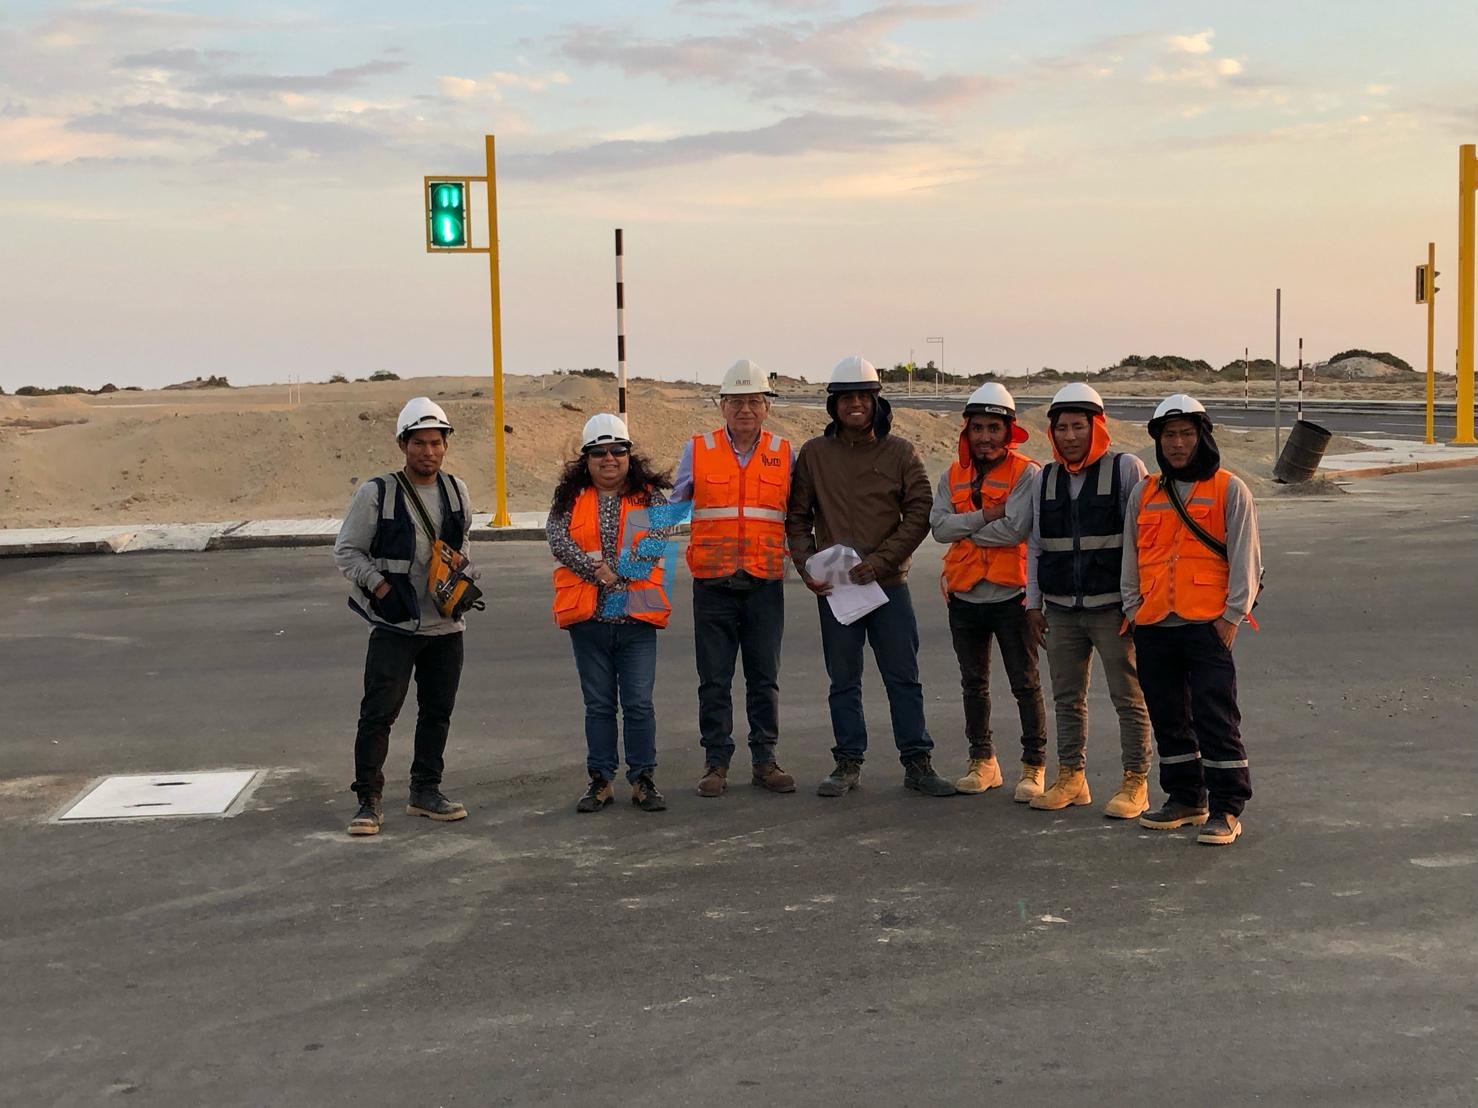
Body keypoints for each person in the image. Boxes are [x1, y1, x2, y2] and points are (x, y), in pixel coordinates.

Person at [785, 355, 955, 798]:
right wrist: (808, 566)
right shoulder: (815, 454)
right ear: (833, 405)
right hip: (836, 590)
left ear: (876, 401)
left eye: (863, 396)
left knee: (904, 678)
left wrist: (881, 562)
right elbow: (797, 517)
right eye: (846, 398)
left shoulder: (900, 452)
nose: (855, 404)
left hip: (889, 587)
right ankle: (847, 762)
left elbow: (919, 511)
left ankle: (917, 762)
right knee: (843, 681)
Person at [334, 397, 480, 837]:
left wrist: (461, 575)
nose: (429, 451)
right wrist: (379, 587)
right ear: (403, 444)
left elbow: (462, 543)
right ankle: (368, 801)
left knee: (437, 712)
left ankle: (425, 791)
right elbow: (347, 551)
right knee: (378, 714)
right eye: (420, 443)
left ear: (446, 445)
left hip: (446, 626)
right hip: (394, 626)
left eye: (436, 443)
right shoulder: (376, 493)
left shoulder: (457, 491)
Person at [1123, 394, 1263, 846]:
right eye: (1169, 435)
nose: (1178, 444)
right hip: (1154, 624)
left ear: (1202, 437)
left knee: (1214, 717)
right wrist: (1133, 610)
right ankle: (1185, 798)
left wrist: (1231, 618)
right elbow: (1131, 557)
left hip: (1207, 626)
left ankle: (1226, 807)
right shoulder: (1145, 492)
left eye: (1186, 434)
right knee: (1168, 718)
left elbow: (1246, 559)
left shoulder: (1230, 489)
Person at [1022, 383, 1154, 818]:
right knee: (1066, 698)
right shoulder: (1044, 478)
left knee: (1128, 698)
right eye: (1062, 428)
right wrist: (1033, 605)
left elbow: (1141, 541)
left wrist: (1134, 605)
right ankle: (1071, 778)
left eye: (1079, 426)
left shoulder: (1126, 469)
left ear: (1097, 426)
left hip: (1113, 610)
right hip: (1061, 611)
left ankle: (1136, 782)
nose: (1070, 436)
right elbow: (1036, 545)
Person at [669, 359, 797, 798]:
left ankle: (765, 761)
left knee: (764, 678)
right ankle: (716, 763)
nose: (745, 409)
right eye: (737, 401)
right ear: (721, 405)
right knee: (714, 680)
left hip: (764, 583)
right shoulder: (698, 449)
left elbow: (799, 513)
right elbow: (674, 505)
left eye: (754, 401)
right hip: (713, 583)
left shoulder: (784, 452)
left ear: (767, 407)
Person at [547, 413, 674, 814]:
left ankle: (643, 779)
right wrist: (596, 573)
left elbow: (657, 539)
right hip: (590, 621)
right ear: (585, 459)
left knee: (638, 704)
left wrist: (617, 569)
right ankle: (600, 780)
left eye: (617, 450)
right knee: (599, 706)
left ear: (628, 455)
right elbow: (557, 538)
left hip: (636, 620)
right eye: (599, 452)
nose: (609, 459)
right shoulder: (570, 498)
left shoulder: (651, 497)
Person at [929, 382, 1046, 796]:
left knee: (1025, 684)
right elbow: (938, 528)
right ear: (967, 430)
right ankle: (983, 761)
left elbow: (1016, 528)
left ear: (1008, 431)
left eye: (993, 428)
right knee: (973, 684)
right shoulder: (951, 475)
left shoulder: (1027, 473)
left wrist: (965, 528)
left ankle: (1034, 765)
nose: (985, 436)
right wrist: (986, 516)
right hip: (964, 595)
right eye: (977, 428)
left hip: (1012, 596)